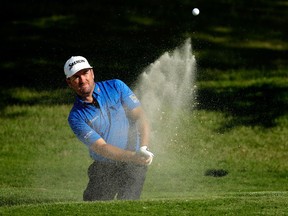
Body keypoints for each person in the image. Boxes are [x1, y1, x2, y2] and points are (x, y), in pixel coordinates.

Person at [64, 56, 154, 201]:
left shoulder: (116, 87)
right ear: (69, 82)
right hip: (104, 168)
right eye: (76, 77)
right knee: (94, 208)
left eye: (85, 73)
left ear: (92, 73)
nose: (82, 79)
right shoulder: (76, 117)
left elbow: (140, 116)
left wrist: (143, 148)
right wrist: (132, 156)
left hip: (134, 163)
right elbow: (101, 147)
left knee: (128, 206)